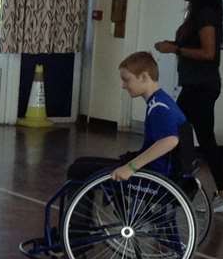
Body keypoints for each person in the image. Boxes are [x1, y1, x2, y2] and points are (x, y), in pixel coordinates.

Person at [155, 0, 223, 212]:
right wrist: (175, 44)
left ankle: (193, 191)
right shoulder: (199, 13)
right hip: (195, 85)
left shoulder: (206, 14)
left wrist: (176, 49)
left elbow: (209, 53)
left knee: (183, 134)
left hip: (202, 86)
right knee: (193, 137)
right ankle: (207, 192)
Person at [65, 52, 186, 184]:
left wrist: (130, 167)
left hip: (153, 176)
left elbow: (170, 140)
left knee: (78, 170)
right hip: (155, 169)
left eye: (126, 80)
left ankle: (76, 205)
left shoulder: (158, 107)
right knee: (82, 163)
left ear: (144, 77)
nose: (123, 85)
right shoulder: (161, 99)